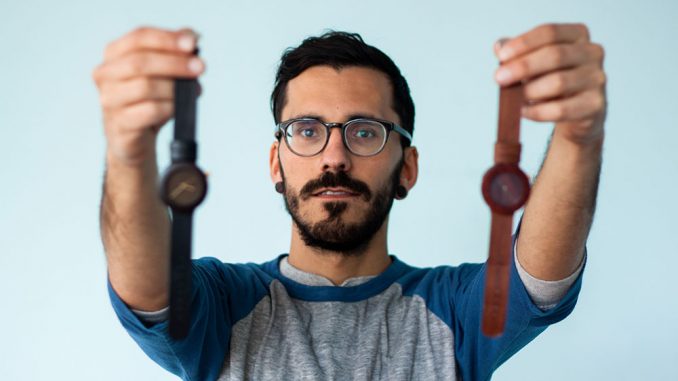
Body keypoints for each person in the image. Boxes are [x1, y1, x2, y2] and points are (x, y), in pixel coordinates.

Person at [93, 24, 606, 380]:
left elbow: (543, 273)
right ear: (277, 163)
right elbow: (145, 286)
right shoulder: (222, 306)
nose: (333, 156)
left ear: (406, 167)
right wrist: (129, 153)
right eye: (307, 130)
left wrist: (580, 135)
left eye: (365, 132)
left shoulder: (457, 310)